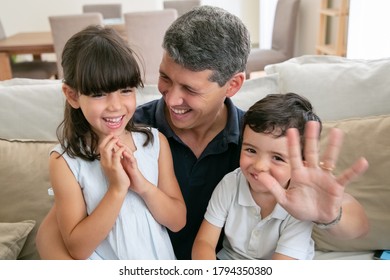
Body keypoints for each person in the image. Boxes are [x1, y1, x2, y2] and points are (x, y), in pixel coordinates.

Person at [37, 6, 369, 260]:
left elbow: (356, 225)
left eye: (190, 89)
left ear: (233, 85)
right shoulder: (133, 130)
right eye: (165, 78)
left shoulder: (257, 146)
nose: (171, 97)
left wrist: (330, 214)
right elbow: (57, 229)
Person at [39, 25, 186, 260]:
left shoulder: (154, 143)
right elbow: (78, 249)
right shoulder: (65, 162)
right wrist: (117, 189)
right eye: (99, 94)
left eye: (126, 90)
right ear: (73, 96)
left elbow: (178, 221)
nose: (116, 106)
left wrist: (142, 185)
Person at [192, 93, 322, 260]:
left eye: (277, 158)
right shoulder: (231, 183)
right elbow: (204, 243)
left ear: (301, 165)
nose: (259, 166)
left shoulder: (301, 206)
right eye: (251, 150)